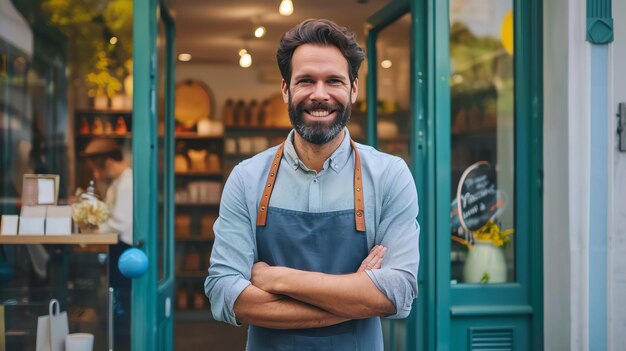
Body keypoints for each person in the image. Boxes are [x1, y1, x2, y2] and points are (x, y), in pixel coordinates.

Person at [205, 19, 420, 350]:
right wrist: (355, 295)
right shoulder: (247, 178)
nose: (320, 95)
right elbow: (225, 294)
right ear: (285, 89)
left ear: (353, 89)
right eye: (306, 81)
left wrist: (278, 279)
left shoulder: (390, 176)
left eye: (333, 80)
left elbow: (396, 294)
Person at [81, 138, 132, 351]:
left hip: (126, 252)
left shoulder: (128, 183)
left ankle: (121, 345)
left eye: (97, 170)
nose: (96, 175)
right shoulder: (117, 184)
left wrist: (93, 228)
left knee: (121, 304)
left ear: (109, 163)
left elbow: (119, 222)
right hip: (119, 250)